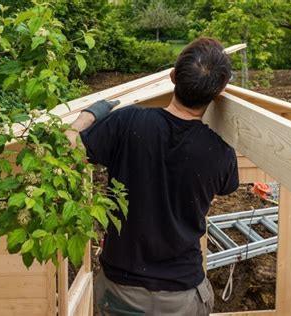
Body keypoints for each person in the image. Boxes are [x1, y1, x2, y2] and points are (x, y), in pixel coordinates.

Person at [65, 37, 239, 316]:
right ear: (219, 92)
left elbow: (68, 148)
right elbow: (225, 186)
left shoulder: (128, 122)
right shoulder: (220, 154)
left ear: (172, 77)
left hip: (121, 290)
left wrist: (87, 116)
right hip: (181, 295)